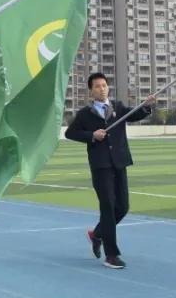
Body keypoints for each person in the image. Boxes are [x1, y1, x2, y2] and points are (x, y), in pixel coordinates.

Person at [64, 72, 154, 270]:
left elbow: (135, 114)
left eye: (104, 85)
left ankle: (97, 234)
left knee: (122, 207)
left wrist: (146, 106)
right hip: (101, 165)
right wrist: (92, 135)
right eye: (97, 86)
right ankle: (111, 255)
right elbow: (70, 133)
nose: (102, 89)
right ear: (91, 91)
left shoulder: (118, 107)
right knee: (108, 207)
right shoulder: (85, 114)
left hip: (120, 162)